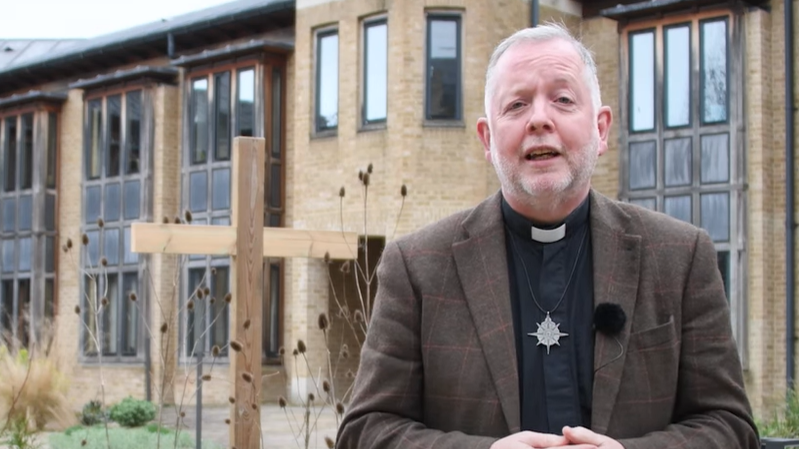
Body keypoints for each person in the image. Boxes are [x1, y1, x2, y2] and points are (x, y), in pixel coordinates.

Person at [336, 23, 759, 449]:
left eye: (562, 99)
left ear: (601, 128)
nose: (540, 118)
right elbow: (365, 431)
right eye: (517, 104)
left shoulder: (681, 257)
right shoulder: (417, 267)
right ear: (487, 138)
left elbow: (730, 426)